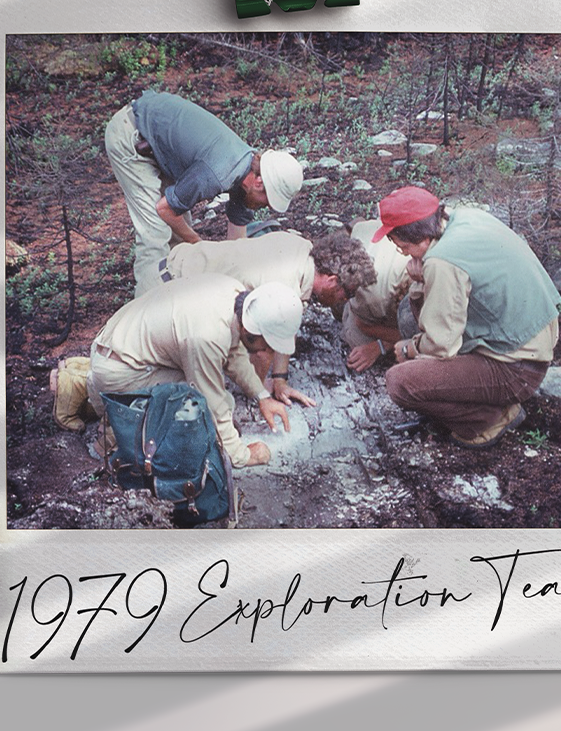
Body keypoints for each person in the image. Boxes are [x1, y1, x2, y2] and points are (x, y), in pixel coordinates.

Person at [376, 186, 560, 449]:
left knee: (400, 382)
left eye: (401, 245)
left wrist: (409, 348)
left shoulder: (442, 261)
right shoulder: (464, 218)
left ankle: (489, 419)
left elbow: (440, 347)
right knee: (409, 311)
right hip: (532, 336)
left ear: (419, 237)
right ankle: (483, 396)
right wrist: (420, 279)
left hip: (517, 368)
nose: (403, 253)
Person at [86, 277, 303, 468]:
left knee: (213, 400)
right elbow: (212, 399)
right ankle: (116, 433)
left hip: (121, 346)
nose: (267, 352)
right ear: (250, 330)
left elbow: (233, 352)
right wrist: (241, 455)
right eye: (267, 345)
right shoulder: (207, 336)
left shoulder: (235, 295)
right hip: (121, 369)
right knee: (209, 404)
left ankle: (114, 407)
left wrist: (262, 396)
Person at [105, 90, 304, 296]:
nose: (265, 207)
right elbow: (165, 210)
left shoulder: (248, 172)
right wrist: (200, 244)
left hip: (159, 142)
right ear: (259, 182)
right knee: (156, 234)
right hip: (132, 132)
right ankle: (145, 311)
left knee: (180, 236)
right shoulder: (218, 172)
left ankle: (176, 300)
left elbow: (237, 245)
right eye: (267, 201)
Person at [155, 229, 376, 403]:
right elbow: (261, 350)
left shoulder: (302, 251)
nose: (345, 300)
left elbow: (285, 326)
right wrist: (260, 393)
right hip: (169, 294)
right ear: (332, 281)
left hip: (177, 263)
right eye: (346, 293)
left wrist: (279, 380)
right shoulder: (285, 284)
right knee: (186, 390)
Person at [340, 219, 416, 372]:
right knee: (356, 339)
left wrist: (381, 345)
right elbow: (363, 324)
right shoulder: (375, 295)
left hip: (373, 232)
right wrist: (383, 344)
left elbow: (435, 339)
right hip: (375, 289)